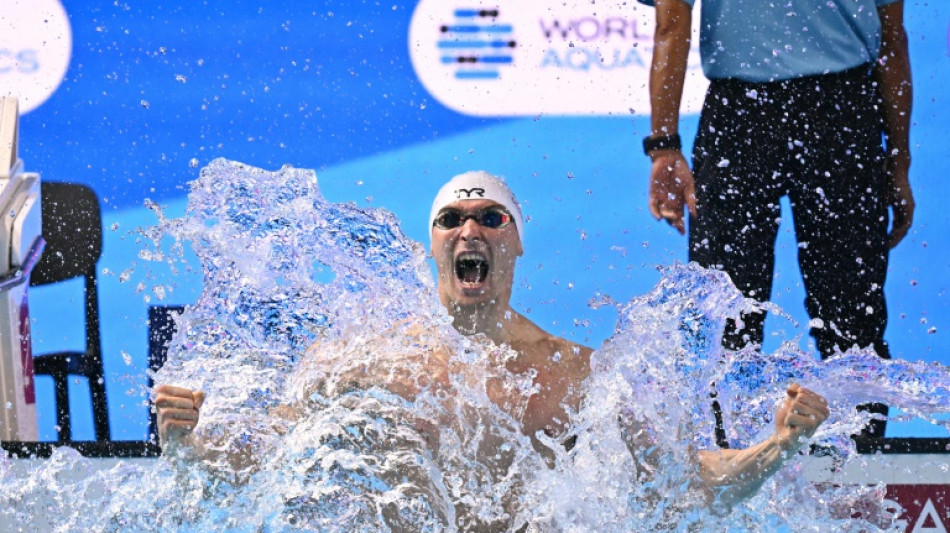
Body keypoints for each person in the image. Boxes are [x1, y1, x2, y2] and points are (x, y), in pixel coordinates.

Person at [155, 171, 829, 514]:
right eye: (451, 218)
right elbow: (267, 456)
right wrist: (190, 443)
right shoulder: (360, 358)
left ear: (517, 241)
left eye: (490, 217)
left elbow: (685, 482)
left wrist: (777, 444)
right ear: (432, 245)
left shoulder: (574, 373)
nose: (469, 229)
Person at [640, 0, 913, 440]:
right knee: (853, 326)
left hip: (740, 115)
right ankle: (861, 468)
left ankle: (723, 468)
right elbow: (892, 40)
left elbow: (671, 23)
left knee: (723, 324)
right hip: (841, 114)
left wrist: (664, 146)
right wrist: (898, 161)